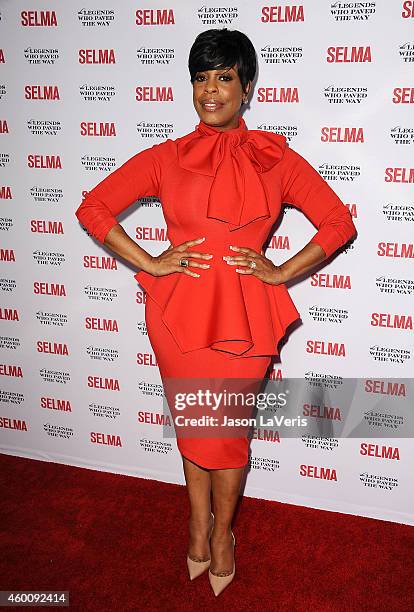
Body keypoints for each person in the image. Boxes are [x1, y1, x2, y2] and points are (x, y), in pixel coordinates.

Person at [75, 28, 357, 596]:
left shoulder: (275, 159)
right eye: (201, 77)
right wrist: (151, 263)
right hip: (179, 316)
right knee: (195, 425)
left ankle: (222, 533)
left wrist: (280, 271)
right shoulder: (165, 156)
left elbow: (338, 222)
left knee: (224, 432)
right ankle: (194, 530)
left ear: (247, 86)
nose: (211, 90)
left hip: (247, 316)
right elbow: (94, 206)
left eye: (224, 77)